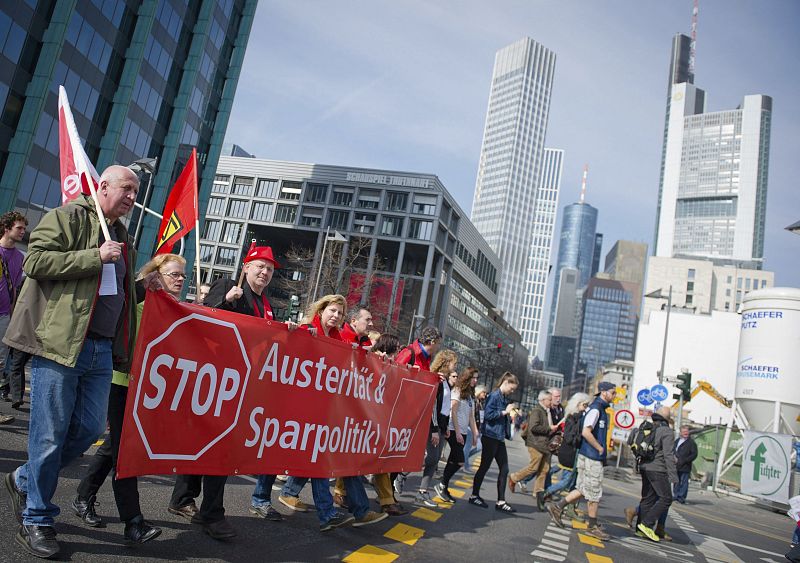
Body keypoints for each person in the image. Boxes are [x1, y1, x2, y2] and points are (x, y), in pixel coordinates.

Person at [3, 165, 139, 559]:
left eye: (135, 192)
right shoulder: (69, 216)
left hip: (99, 350)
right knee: (47, 436)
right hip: (63, 344)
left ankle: (25, 478)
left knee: (87, 430)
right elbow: (36, 262)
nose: (132, 197)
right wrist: (93, 256)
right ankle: (38, 518)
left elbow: (121, 292)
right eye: (126, 189)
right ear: (103, 187)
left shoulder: (122, 233)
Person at [168, 245, 290, 538]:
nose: (264, 273)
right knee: (220, 447)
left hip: (242, 383)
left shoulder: (267, 304)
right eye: (260, 266)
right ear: (246, 267)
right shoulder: (227, 286)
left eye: (270, 269)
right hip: (216, 379)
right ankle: (212, 513)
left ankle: (182, 499)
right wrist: (224, 300)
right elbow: (201, 320)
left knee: (211, 443)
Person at [73, 254, 187, 544]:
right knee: (125, 449)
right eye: (173, 274)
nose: (179, 279)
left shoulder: (178, 309)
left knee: (114, 448)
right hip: (121, 382)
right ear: (156, 274)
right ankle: (133, 521)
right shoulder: (138, 303)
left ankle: (84, 495)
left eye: (182, 276)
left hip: (148, 390)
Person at [547, 381, 617, 540]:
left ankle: (558, 507)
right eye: (613, 393)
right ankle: (592, 526)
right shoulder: (597, 409)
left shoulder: (598, 409)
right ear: (604, 392)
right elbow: (586, 432)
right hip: (592, 456)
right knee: (594, 493)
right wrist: (599, 447)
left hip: (587, 455)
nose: (614, 396)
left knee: (583, 488)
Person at [393, 326, 442, 495]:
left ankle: (388, 491)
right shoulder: (410, 353)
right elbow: (393, 373)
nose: (438, 347)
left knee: (402, 454)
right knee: (394, 453)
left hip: (411, 413)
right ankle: (385, 490)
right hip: (400, 412)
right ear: (432, 342)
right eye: (438, 343)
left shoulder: (426, 358)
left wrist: (435, 378)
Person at [469, 371, 519, 513]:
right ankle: (474, 495)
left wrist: (509, 415)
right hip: (490, 436)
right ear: (506, 383)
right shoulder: (494, 396)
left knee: (504, 469)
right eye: (512, 388)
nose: (512, 391)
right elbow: (489, 415)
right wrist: (505, 412)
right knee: (484, 466)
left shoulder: (502, 397)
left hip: (498, 437)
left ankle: (501, 501)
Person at [414, 349, 457, 508]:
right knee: (432, 457)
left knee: (435, 458)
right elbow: (432, 406)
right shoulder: (437, 380)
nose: (455, 365)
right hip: (432, 425)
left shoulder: (445, 381)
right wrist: (434, 429)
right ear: (445, 362)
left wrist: (445, 427)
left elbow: (444, 407)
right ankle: (404, 474)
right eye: (453, 362)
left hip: (440, 425)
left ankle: (423, 492)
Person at [435, 367, 479, 503]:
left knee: (452, 460)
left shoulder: (471, 395)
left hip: (464, 431)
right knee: (460, 460)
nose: (476, 380)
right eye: (473, 378)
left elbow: (471, 416)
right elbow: (453, 411)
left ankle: (444, 487)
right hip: (454, 430)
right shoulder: (457, 390)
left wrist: (475, 432)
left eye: (477, 378)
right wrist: (458, 432)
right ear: (467, 377)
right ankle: (442, 483)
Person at [509, 390, 558, 510]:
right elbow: (534, 427)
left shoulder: (546, 411)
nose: (551, 401)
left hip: (544, 444)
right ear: (543, 400)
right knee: (534, 467)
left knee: (544, 469)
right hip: (536, 443)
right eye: (549, 400)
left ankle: (538, 492)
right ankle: (514, 477)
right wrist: (549, 429)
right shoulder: (537, 411)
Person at [636, 406, 677, 542]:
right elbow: (668, 455)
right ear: (667, 419)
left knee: (648, 498)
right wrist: (673, 475)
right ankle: (646, 524)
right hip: (658, 469)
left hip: (644, 467)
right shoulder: (667, 432)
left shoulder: (649, 428)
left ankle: (639, 528)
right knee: (666, 498)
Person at [0, 211, 27, 413]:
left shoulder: (19, 257)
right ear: (7, 228)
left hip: (4, 316)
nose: (22, 232)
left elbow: (15, 288)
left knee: (1, 361)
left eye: (24, 228)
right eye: (19, 228)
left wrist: (12, 315)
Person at [542, 393, 590, 506]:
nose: (586, 408)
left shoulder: (577, 418)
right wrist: (580, 437)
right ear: (578, 405)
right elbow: (569, 437)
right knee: (567, 482)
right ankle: (546, 492)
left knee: (571, 482)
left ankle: (565, 506)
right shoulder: (572, 418)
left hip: (571, 453)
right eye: (585, 405)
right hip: (569, 453)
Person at [464, 384, 487, 472]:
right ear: (479, 391)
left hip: (477, 427)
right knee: (468, 446)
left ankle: (463, 458)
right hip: (470, 427)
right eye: (483, 392)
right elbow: (471, 416)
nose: (485, 394)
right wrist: (475, 429)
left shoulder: (480, 402)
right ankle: (465, 465)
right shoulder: (473, 401)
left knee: (479, 447)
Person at [673, 425, 697, 504]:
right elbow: (673, 450)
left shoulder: (691, 443)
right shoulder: (677, 441)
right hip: (676, 466)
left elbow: (694, 454)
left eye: (686, 431)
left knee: (684, 482)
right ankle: (676, 495)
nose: (685, 433)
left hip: (685, 466)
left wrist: (685, 460)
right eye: (683, 432)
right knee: (676, 481)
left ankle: (681, 497)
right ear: (680, 432)